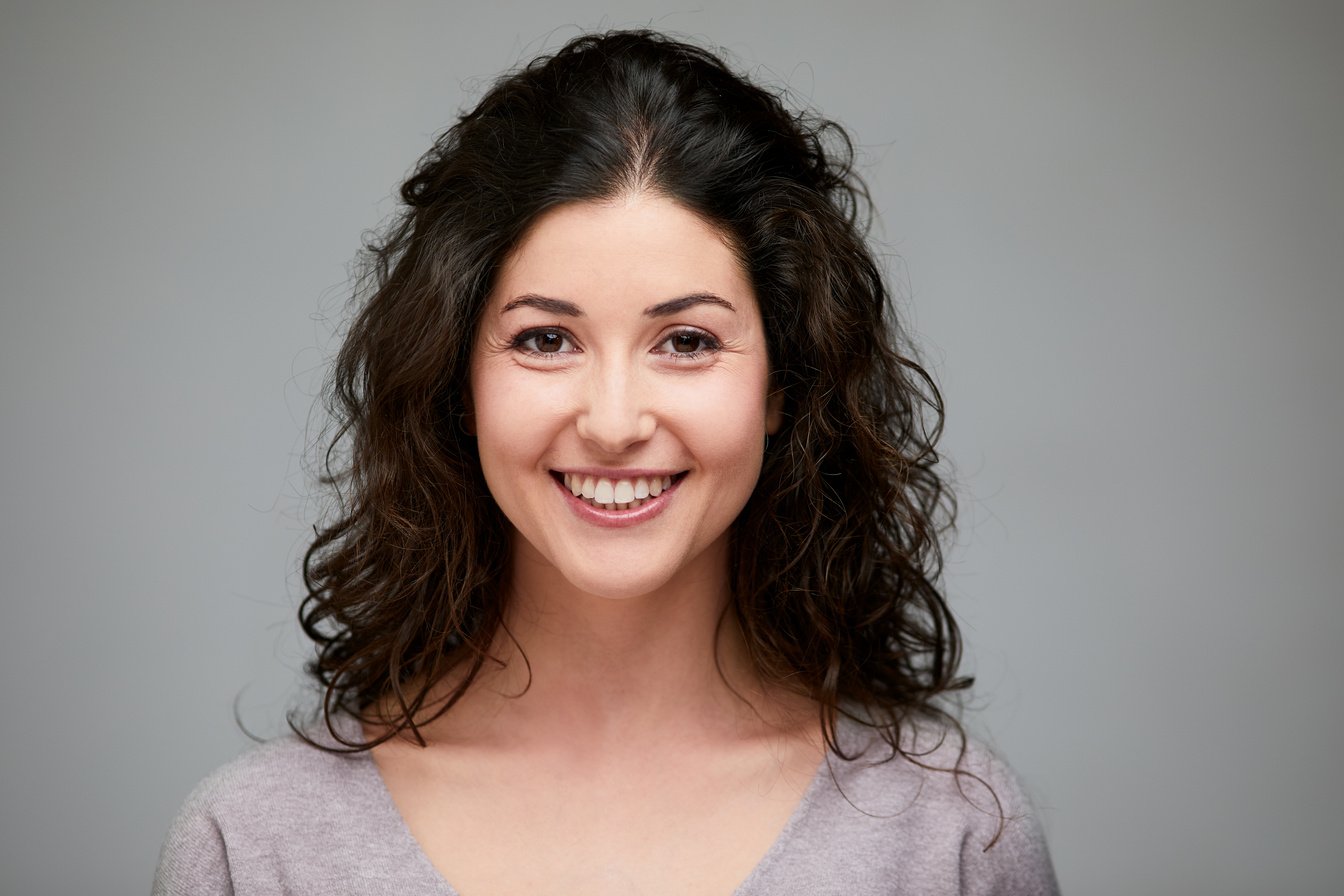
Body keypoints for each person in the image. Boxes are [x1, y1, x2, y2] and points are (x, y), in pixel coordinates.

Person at [154, 29, 1059, 895]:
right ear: (456, 379)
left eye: (688, 341)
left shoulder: (948, 830)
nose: (615, 422)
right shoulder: (256, 845)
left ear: (785, 384)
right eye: (546, 339)